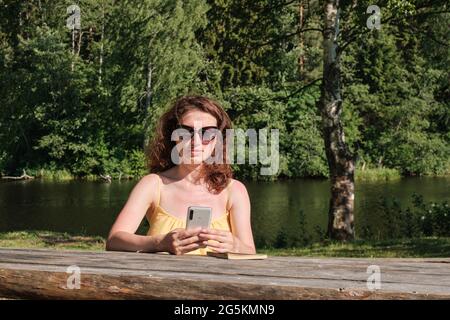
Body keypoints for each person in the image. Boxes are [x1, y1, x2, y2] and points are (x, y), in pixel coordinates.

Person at [106, 95, 256, 255]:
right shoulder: (153, 185)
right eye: (187, 131)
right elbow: (114, 240)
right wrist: (160, 243)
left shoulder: (234, 191)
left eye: (208, 133)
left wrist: (236, 246)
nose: (196, 141)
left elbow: (250, 251)